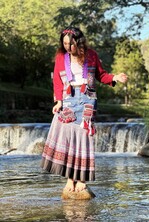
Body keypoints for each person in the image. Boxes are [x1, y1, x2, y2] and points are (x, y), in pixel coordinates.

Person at [41, 26, 128, 192]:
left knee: (84, 139)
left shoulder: (91, 55)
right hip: (68, 99)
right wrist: (58, 101)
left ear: (78, 42)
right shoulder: (61, 56)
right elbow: (57, 82)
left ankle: (81, 179)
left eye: (71, 44)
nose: (67, 47)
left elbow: (101, 75)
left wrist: (115, 77)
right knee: (68, 139)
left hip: (87, 99)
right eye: (65, 43)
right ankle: (69, 178)